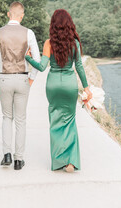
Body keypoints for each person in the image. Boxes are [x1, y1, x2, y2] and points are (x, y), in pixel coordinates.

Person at [25, 9, 92, 173]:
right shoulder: (74, 43)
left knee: (55, 122)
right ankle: (71, 161)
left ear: (53, 25)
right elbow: (80, 68)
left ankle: (58, 161)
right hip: (69, 84)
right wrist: (86, 87)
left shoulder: (49, 43)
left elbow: (42, 67)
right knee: (69, 121)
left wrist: (28, 58)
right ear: (69, 24)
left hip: (53, 84)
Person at [0, 1, 40, 170]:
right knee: (21, 120)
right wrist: (31, 77)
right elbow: (38, 60)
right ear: (22, 15)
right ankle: (19, 160)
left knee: (6, 117)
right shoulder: (29, 33)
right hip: (22, 79)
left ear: (8, 14)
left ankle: (7, 155)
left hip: (4, 78)